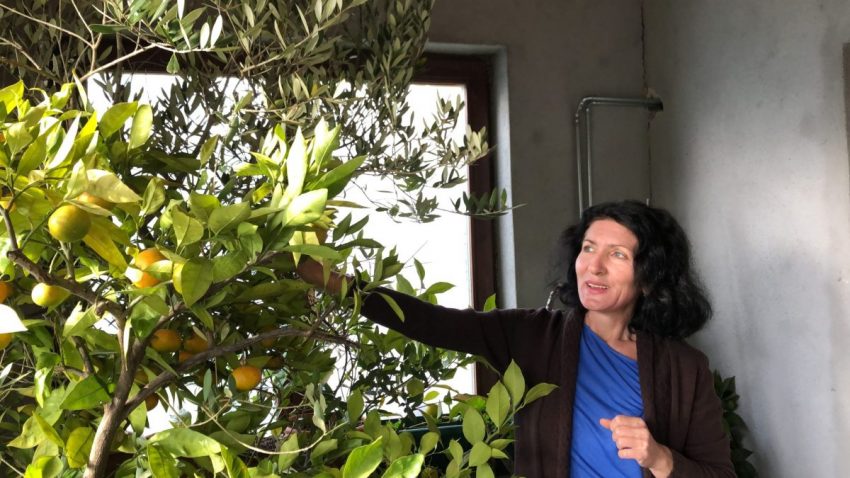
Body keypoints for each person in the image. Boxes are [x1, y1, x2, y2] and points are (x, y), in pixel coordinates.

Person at [297, 200, 735, 478]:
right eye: (588, 248)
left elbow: (719, 473)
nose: (594, 266)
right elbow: (429, 322)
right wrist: (328, 279)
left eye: (617, 254)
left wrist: (660, 458)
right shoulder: (532, 335)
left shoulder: (684, 368)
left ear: (649, 277)